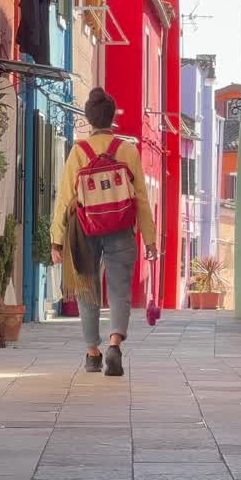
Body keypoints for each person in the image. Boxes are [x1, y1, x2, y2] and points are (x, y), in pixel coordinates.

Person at [49, 88, 157, 376]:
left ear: (89, 118)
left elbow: (64, 199)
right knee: (119, 289)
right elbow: (141, 199)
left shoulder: (78, 152)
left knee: (87, 288)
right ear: (112, 117)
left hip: (84, 230)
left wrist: (56, 240)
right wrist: (150, 239)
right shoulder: (127, 150)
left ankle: (92, 352)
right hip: (121, 229)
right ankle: (114, 344)